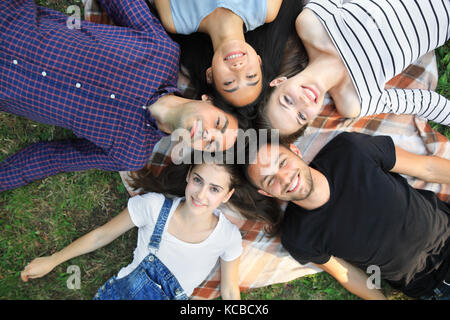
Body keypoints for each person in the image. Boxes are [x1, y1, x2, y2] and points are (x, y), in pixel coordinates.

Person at [0, 0, 239, 192]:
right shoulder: (161, 51)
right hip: (11, 19)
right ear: (208, 100)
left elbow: (53, 159)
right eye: (218, 123)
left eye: (211, 144)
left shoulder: (131, 153)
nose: (208, 134)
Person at [245, 131, 450, 300]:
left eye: (282, 163)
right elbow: (346, 274)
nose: (285, 178)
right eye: (270, 180)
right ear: (266, 193)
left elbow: (427, 168)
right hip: (432, 285)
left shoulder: (350, 150)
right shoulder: (298, 236)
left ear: (295, 150)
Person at [20, 161, 250, 300]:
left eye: (214, 189)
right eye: (198, 181)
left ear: (227, 195)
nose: (201, 195)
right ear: (189, 175)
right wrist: (53, 259)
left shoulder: (227, 237)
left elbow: (229, 290)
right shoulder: (153, 206)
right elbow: (103, 234)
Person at [259, 0, 450, 139]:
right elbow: (423, 103)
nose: (302, 103)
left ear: (279, 81)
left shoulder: (310, 25)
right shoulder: (353, 102)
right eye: (301, 116)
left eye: (287, 100)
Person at [151, 0, 284, 108]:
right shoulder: (265, 9)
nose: (238, 68)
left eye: (229, 82)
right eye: (250, 76)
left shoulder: (176, 20)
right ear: (259, 61)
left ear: (210, 75)